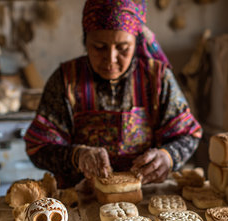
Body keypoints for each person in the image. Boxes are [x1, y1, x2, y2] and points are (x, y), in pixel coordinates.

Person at [24, 0, 202, 189]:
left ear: (137, 43)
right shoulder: (66, 79)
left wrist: (168, 156)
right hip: (79, 197)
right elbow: (38, 147)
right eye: (99, 47)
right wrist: (77, 156)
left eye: (123, 48)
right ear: (85, 41)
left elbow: (189, 135)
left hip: (144, 195)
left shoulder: (157, 78)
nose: (110, 59)